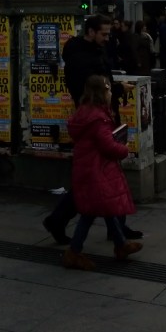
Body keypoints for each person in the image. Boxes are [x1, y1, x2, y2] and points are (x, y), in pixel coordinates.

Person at [43, 14, 142, 244]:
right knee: (95, 180)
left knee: (104, 178)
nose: (107, 38)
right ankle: (60, 221)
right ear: (90, 32)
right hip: (94, 122)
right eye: (103, 34)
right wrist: (117, 89)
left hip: (102, 117)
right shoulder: (80, 58)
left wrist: (115, 89)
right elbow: (89, 91)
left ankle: (116, 227)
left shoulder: (94, 51)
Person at [63, 75, 144, 270]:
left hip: (89, 168)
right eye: (109, 90)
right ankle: (74, 252)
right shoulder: (98, 118)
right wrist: (124, 148)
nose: (111, 94)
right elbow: (107, 145)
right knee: (90, 213)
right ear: (102, 93)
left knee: (105, 207)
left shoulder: (85, 111)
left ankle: (121, 244)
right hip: (96, 170)